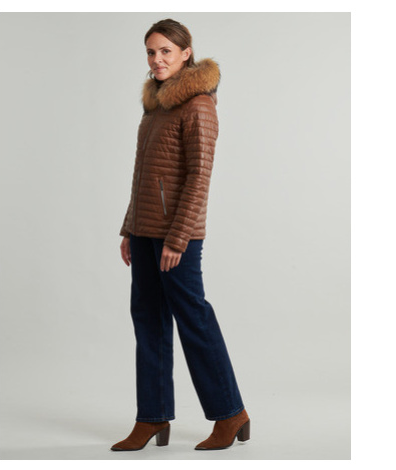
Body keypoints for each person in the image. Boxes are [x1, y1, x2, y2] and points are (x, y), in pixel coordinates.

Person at [112, 19, 250, 452]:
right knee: (148, 319)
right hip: (145, 231)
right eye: (151, 52)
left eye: (165, 51)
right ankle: (152, 417)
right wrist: (130, 228)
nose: (156, 60)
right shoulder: (155, 105)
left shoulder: (198, 105)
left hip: (178, 236)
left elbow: (198, 177)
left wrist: (177, 238)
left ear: (186, 53)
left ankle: (230, 413)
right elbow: (143, 175)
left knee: (193, 318)